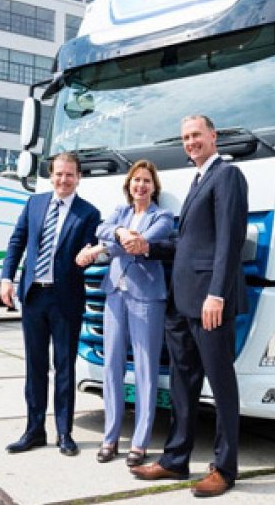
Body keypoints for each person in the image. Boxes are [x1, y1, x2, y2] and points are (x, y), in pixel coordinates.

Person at [126, 115, 248, 498]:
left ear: (213, 135)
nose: (190, 142)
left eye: (196, 135)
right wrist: (149, 247)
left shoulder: (227, 176)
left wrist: (217, 294)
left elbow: (230, 239)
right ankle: (176, 459)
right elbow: (187, 244)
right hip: (182, 302)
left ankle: (225, 468)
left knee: (221, 383)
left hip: (209, 302)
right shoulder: (196, 182)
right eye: (185, 137)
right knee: (182, 383)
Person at [0, 152, 100, 456]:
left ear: (78, 177)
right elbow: (17, 242)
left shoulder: (88, 213)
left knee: (65, 368)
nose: (63, 180)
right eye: (58, 174)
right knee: (35, 367)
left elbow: (91, 249)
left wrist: (89, 255)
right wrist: (6, 278)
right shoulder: (34, 203)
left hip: (65, 300)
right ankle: (34, 431)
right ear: (51, 175)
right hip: (34, 297)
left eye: (69, 174)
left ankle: (64, 433)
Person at [75, 160, 173, 467]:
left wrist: (101, 248)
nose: (140, 185)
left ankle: (140, 442)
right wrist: (117, 232)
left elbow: (140, 245)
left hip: (147, 297)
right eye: (136, 180)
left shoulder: (162, 216)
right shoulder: (120, 212)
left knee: (145, 368)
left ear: (154, 187)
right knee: (111, 365)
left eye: (146, 181)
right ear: (129, 185)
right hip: (115, 293)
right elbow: (102, 229)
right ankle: (110, 437)